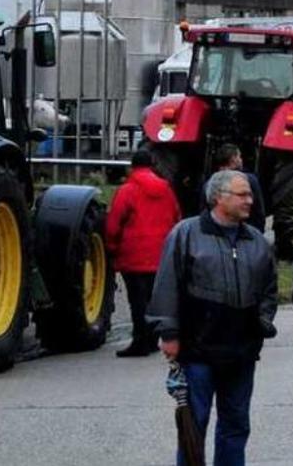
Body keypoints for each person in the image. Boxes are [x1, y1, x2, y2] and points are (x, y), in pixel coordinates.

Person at [147, 170, 279, 466]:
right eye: (242, 194)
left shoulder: (257, 241)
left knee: (236, 426)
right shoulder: (186, 234)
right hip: (198, 353)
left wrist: (263, 321)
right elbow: (167, 284)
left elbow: (269, 289)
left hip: (241, 353)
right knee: (194, 426)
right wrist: (168, 333)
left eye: (250, 194)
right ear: (218, 197)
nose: (250, 200)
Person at [104, 149, 182, 357]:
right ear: (153, 165)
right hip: (160, 254)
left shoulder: (127, 190)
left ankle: (139, 341)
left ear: (132, 166)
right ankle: (152, 339)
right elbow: (176, 217)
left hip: (134, 255)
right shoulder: (166, 189)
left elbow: (114, 224)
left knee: (137, 301)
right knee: (154, 299)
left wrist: (111, 247)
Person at [210, 143, 267, 232]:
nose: (241, 160)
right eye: (239, 157)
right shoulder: (249, 180)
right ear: (234, 159)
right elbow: (259, 212)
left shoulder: (209, 183)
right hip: (246, 234)